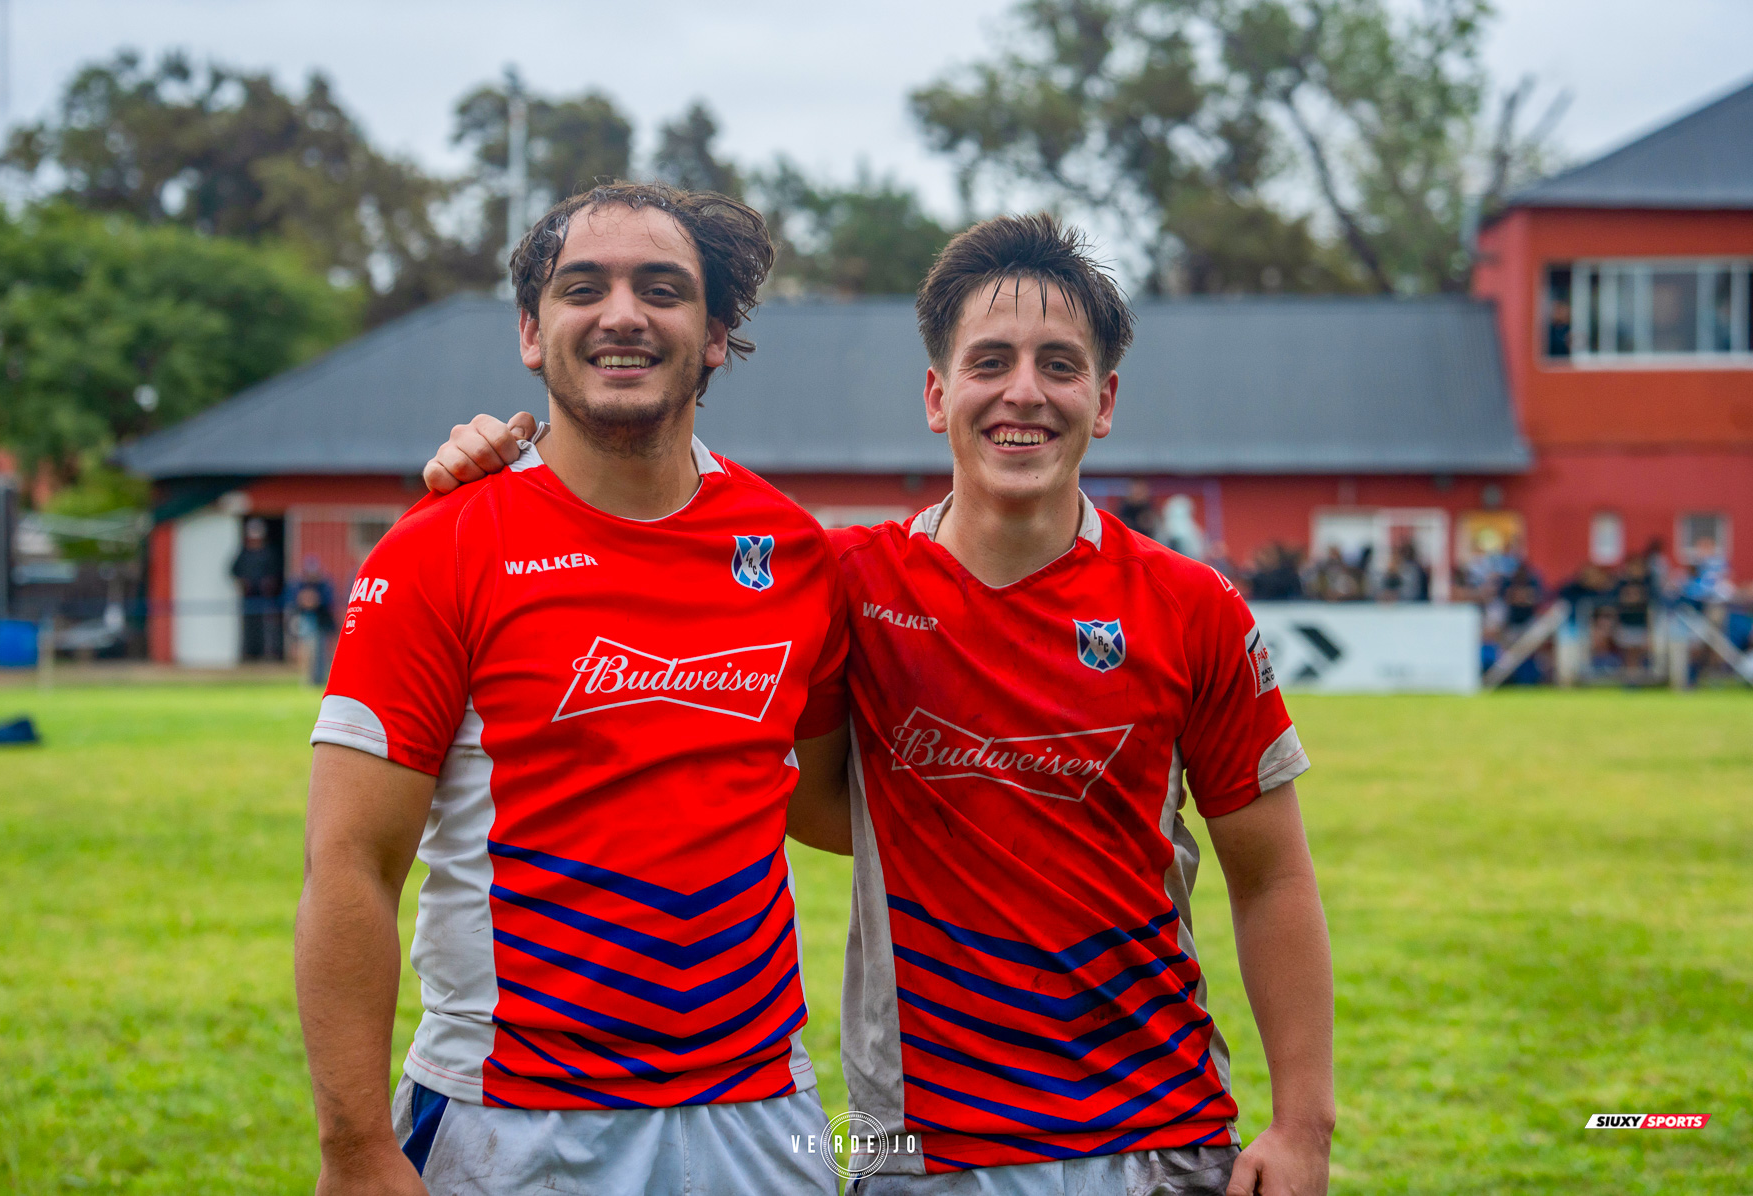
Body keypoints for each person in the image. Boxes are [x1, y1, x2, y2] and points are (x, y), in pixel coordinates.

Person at [432, 214, 1334, 1196]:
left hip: (1156, 1135)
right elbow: (773, 754)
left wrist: (1302, 1123)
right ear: (938, 393)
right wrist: (502, 467)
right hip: (919, 1151)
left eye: (1060, 365)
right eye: (990, 361)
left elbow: (1274, 876)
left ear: (1104, 398)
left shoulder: (1193, 605)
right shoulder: (843, 581)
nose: (1023, 392)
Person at [296, 183, 850, 1196]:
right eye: (583, 287)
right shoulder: (441, 546)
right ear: (529, 330)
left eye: (664, 288)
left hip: (761, 1109)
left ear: (717, 332)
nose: (623, 313)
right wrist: (357, 1145)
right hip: (508, 1118)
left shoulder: (796, 552)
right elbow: (349, 862)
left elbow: (829, 806)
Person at [231, 518, 285, 662]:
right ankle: (249, 655)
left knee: (268, 627)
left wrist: (269, 583)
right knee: (249, 627)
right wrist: (243, 582)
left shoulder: (269, 553)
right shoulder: (244, 553)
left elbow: (277, 572)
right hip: (249, 598)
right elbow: (234, 571)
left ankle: (269, 655)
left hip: (266, 598)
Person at [285, 556, 336, 688]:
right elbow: (290, 600)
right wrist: (304, 600)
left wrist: (315, 600)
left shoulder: (324, 585)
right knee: (305, 652)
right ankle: (306, 679)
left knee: (321, 652)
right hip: (304, 623)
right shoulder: (298, 584)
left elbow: (328, 601)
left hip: (320, 623)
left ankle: (320, 679)